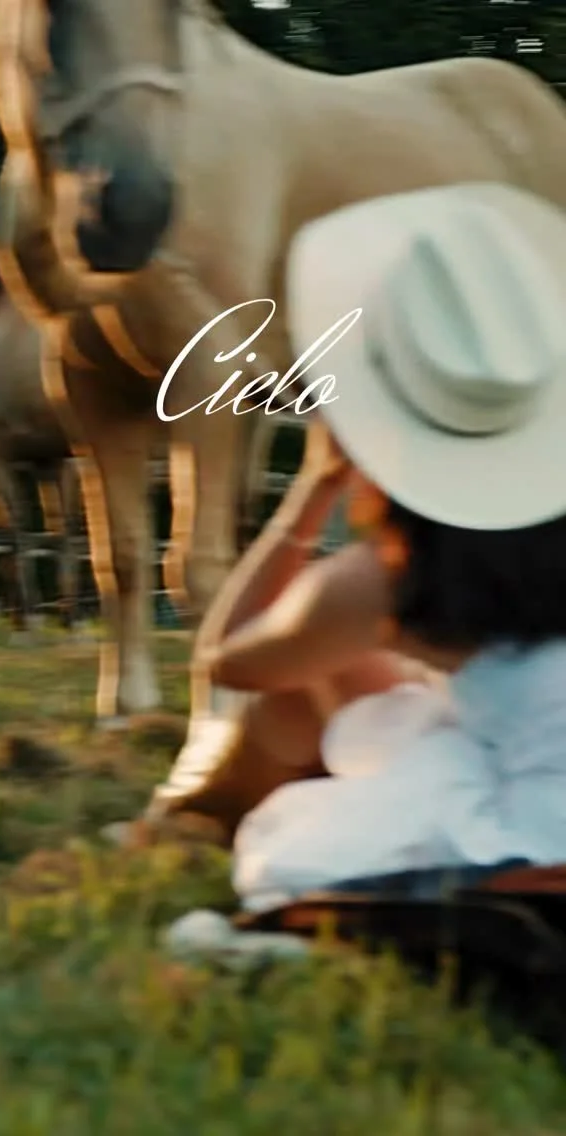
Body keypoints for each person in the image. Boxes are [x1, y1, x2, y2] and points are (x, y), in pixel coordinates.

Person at [178, 181, 566, 913]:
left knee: (297, 686)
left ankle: (195, 814)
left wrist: (317, 484)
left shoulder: (401, 575)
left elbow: (229, 660)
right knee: (358, 681)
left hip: (541, 838)